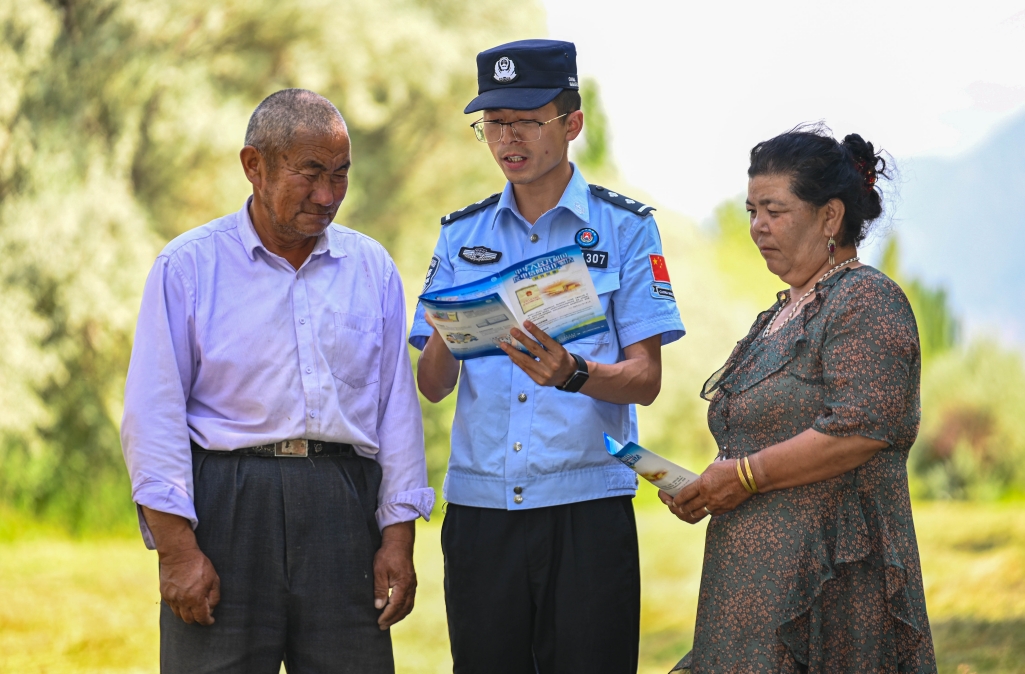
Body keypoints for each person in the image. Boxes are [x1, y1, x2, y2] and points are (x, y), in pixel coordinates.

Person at [120, 89, 433, 674]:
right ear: (253, 165)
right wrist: (176, 551)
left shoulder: (371, 268)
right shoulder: (188, 267)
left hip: (344, 508)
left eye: (340, 175)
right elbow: (153, 415)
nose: (327, 195)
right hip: (226, 509)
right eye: (310, 172)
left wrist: (397, 537)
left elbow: (397, 413)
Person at [410, 39, 686, 673]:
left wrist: (575, 373)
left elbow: (646, 379)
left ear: (572, 123)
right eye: (494, 123)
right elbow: (432, 385)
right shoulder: (460, 234)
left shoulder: (626, 229)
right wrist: (451, 328)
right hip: (481, 509)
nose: (508, 139)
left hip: (586, 506)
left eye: (528, 121)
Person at [662, 126, 936, 673]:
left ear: (830, 217)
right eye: (751, 211)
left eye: (774, 210)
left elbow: (860, 430)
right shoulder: (779, 314)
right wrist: (708, 486)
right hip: (751, 587)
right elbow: (760, 433)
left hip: (832, 584)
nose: (757, 226)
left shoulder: (865, 299)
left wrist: (743, 476)